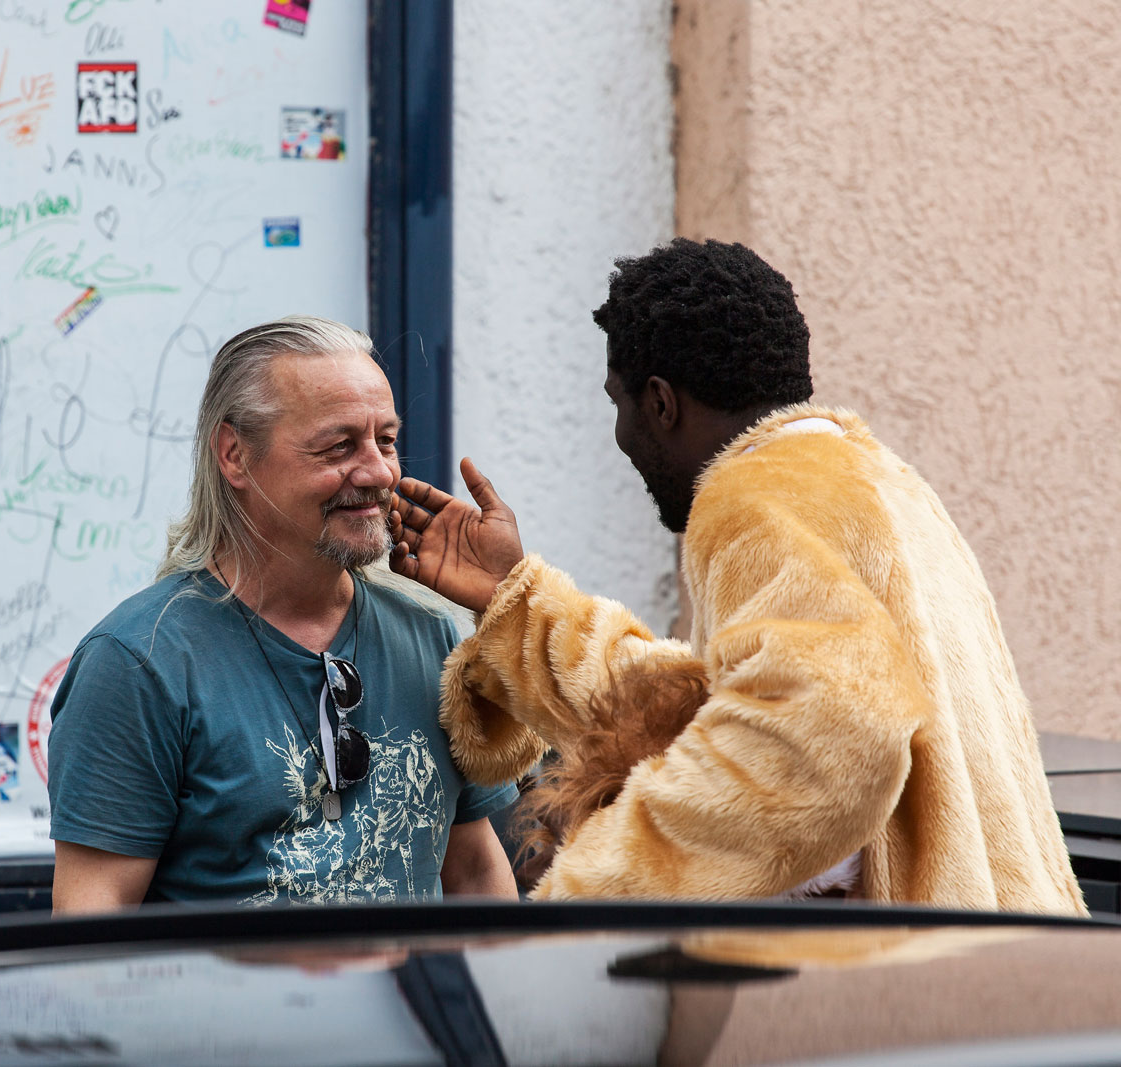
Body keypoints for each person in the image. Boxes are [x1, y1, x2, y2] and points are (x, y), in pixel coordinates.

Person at [388, 239, 1087, 915]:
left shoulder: (753, 499)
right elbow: (730, 698)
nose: (621, 435)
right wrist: (515, 600)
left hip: (911, 977)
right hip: (1004, 956)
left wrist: (594, 891)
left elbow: (836, 737)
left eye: (617, 403)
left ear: (660, 403)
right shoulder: (879, 482)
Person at [46, 315, 518, 911]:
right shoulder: (137, 663)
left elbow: (474, 870)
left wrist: (510, 605)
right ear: (235, 455)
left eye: (386, 440)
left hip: (416, 979)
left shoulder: (430, 635)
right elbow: (93, 920)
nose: (380, 472)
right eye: (338, 446)